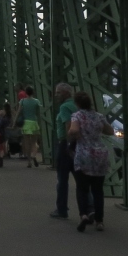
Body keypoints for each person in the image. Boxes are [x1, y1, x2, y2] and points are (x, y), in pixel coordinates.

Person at [68, 91, 114, 232]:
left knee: (82, 188)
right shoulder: (99, 116)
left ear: (77, 103)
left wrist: (73, 135)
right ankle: (99, 221)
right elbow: (110, 131)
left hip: (84, 154)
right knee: (98, 190)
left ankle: (83, 215)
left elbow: (73, 130)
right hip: (100, 154)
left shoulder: (77, 116)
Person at [49, 83, 74, 219]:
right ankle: (89, 209)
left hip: (66, 145)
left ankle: (61, 209)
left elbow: (68, 127)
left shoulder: (64, 107)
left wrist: (69, 146)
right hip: (79, 144)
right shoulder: (78, 105)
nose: (56, 95)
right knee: (82, 180)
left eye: (58, 92)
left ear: (66, 93)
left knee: (62, 179)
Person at [20, 85, 42, 168]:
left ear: (26, 92)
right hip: (34, 123)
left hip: (26, 123)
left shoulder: (22, 101)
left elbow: (19, 112)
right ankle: (34, 156)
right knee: (34, 142)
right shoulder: (36, 101)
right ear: (33, 92)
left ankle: (29, 162)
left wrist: (14, 123)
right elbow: (39, 113)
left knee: (27, 143)